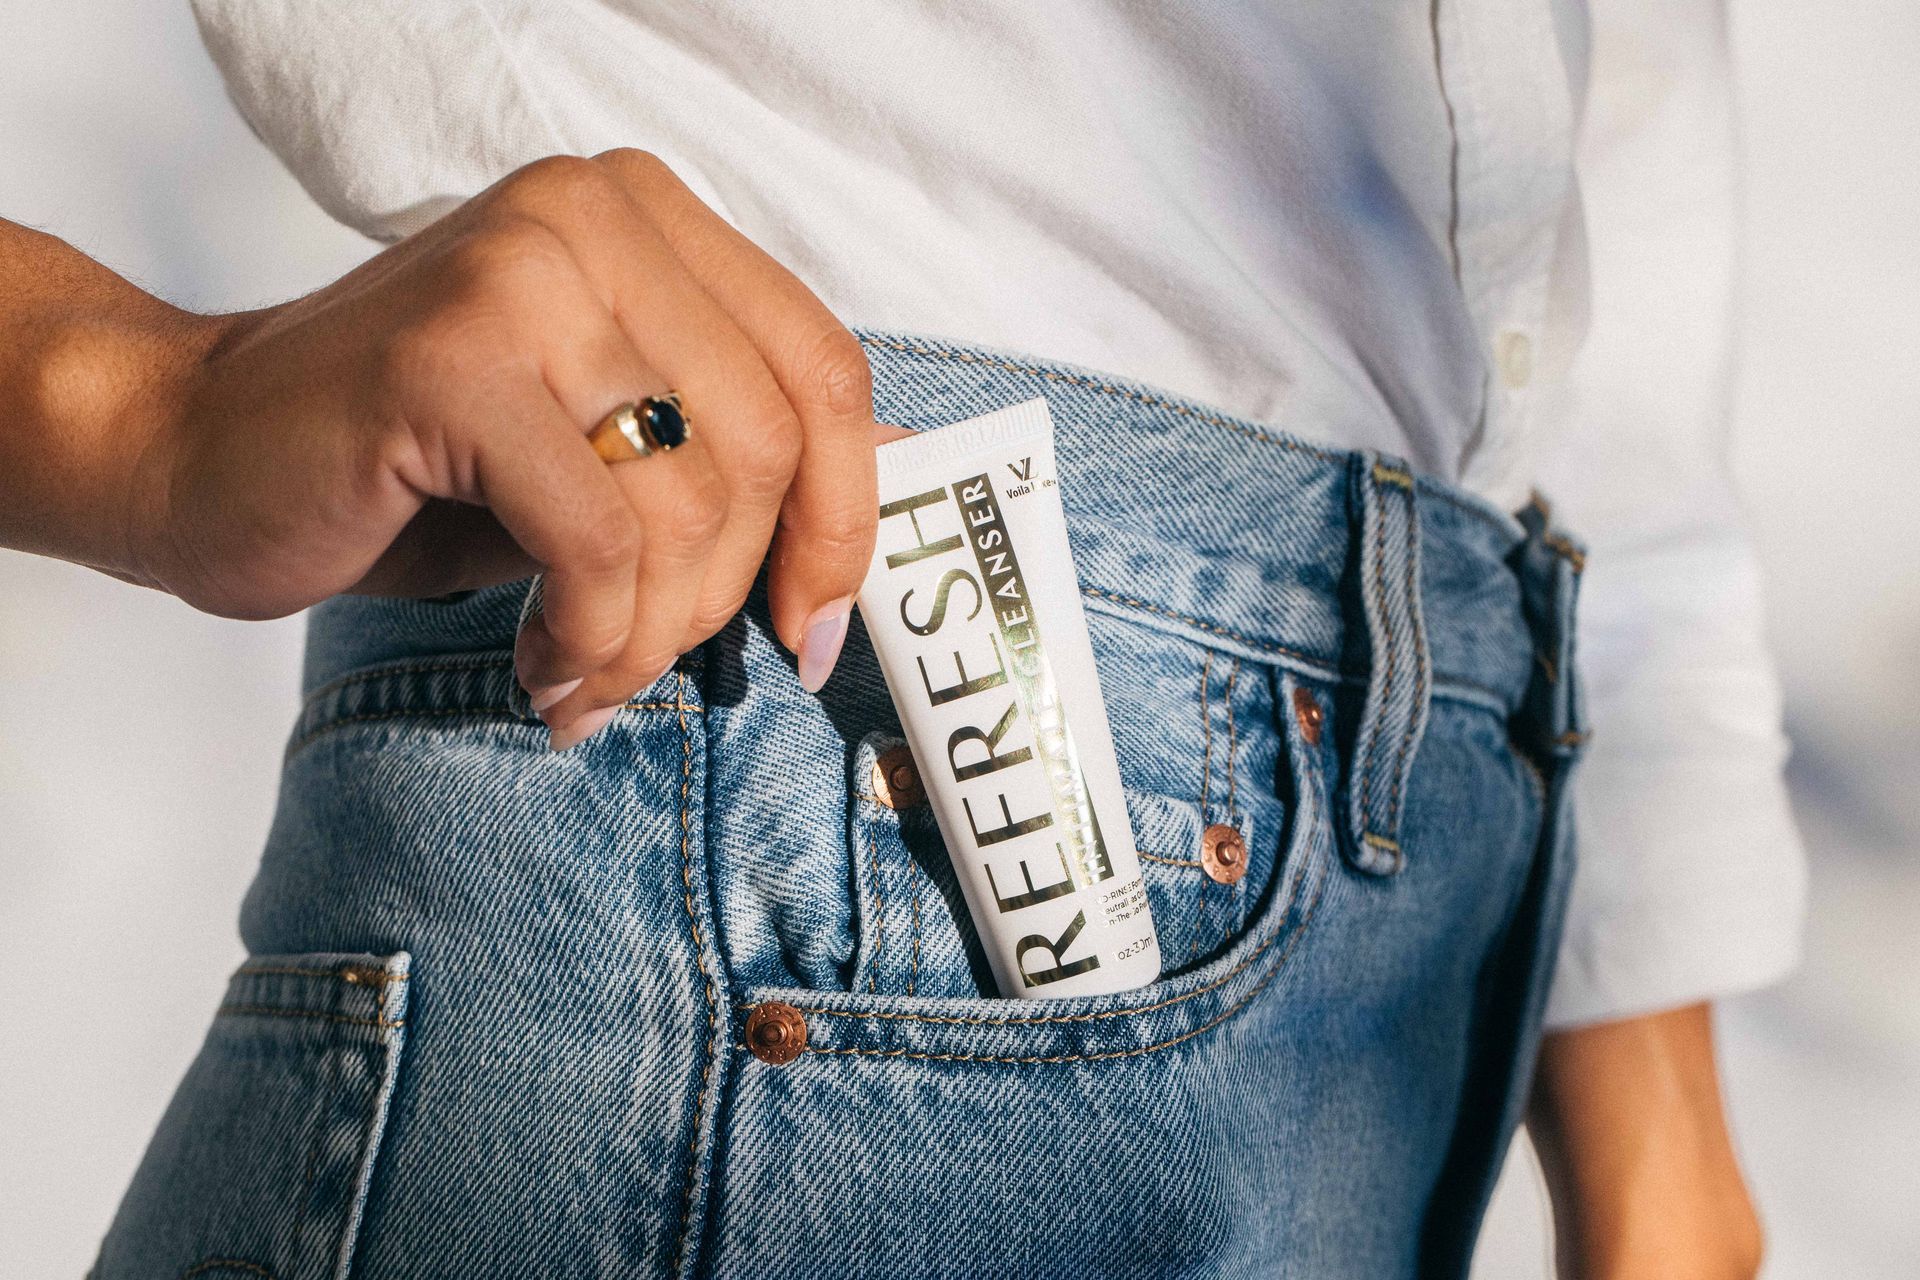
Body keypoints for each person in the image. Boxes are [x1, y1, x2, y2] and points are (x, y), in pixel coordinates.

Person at [0, 3, 1802, 1276]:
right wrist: (133, 407)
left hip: (1421, 936)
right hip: (760, 767)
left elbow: (1584, 172)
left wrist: (1656, 1126)